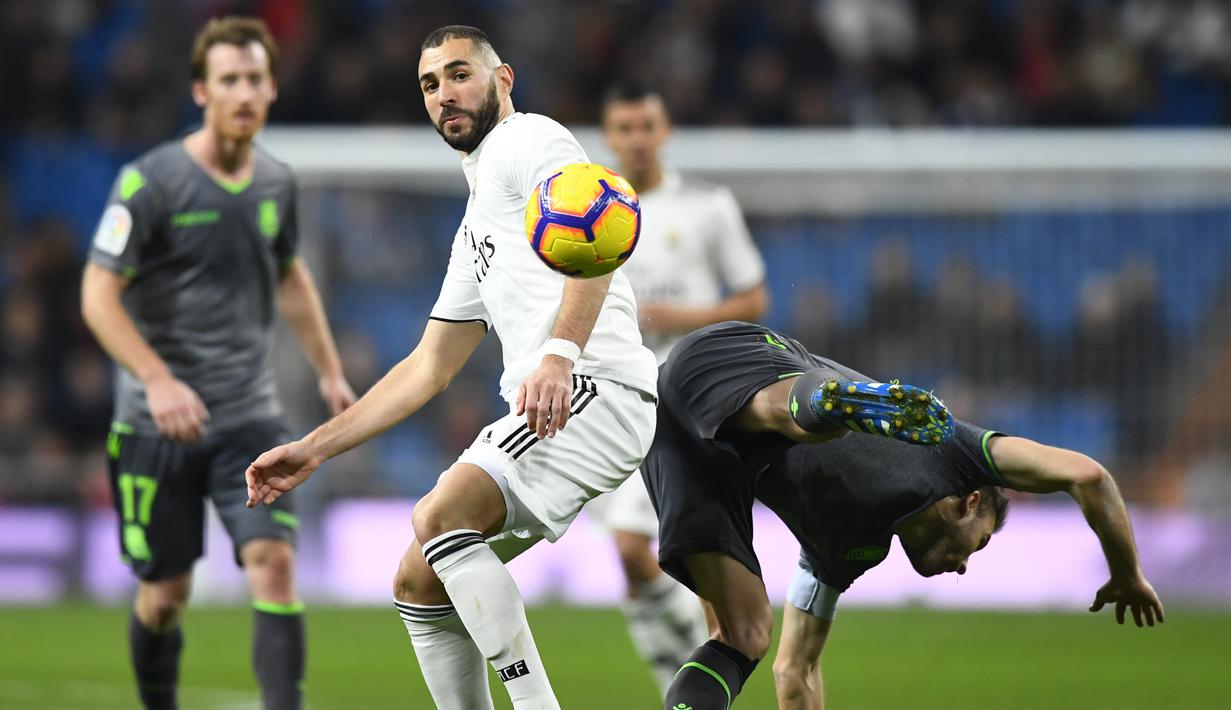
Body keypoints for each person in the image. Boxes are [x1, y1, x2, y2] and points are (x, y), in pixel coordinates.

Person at [244, 26, 662, 710]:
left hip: (592, 390)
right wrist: (314, 449)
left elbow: (599, 227)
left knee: (438, 516)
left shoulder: (528, 141)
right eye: (430, 84)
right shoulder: (475, 225)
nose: (444, 94)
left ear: (504, 80)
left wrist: (560, 354)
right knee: (418, 581)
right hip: (559, 403)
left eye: (460, 74)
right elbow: (429, 366)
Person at [641, 321, 1165, 710]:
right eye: (979, 543)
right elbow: (1086, 475)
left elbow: (795, 672)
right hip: (735, 358)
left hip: (675, 431)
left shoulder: (845, 554)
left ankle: (828, 403)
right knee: (801, 418)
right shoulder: (958, 454)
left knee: (743, 636)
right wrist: (1127, 573)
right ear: (971, 501)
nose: (965, 566)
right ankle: (831, 401)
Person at [80, 17, 356, 710]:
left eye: (256, 79)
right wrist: (156, 379)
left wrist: (328, 369)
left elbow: (290, 275)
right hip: (157, 422)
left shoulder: (276, 183)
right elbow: (97, 295)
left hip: (247, 414)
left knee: (275, 564)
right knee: (164, 597)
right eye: (229, 80)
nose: (245, 93)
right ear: (201, 92)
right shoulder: (150, 183)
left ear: (272, 89)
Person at [590, 81, 769, 694]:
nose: (637, 139)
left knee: (635, 547)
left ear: (664, 132)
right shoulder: (585, 211)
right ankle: (683, 687)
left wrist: (683, 318)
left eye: (647, 126)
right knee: (634, 568)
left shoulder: (706, 206)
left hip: (684, 403)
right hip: (610, 397)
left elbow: (754, 297)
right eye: (625, 128)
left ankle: (711, 651)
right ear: (608, 136)